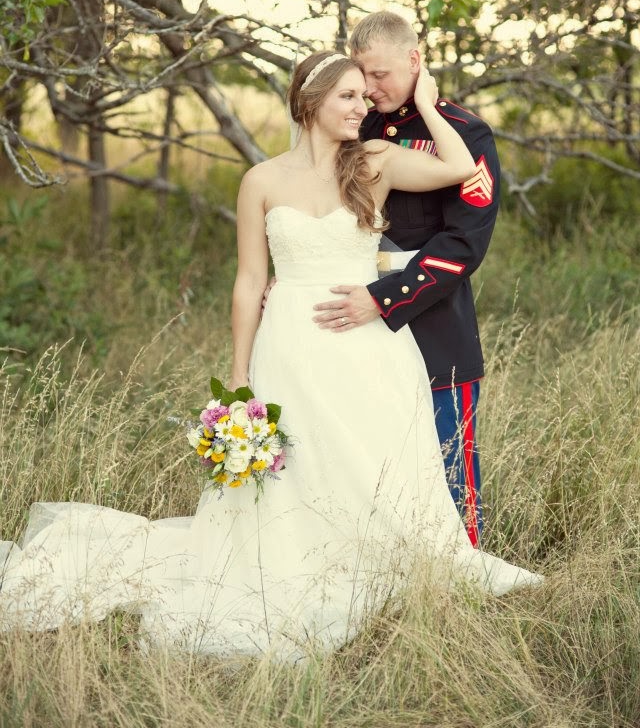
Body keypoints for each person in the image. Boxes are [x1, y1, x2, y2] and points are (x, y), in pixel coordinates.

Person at [0, 52, 541, 660]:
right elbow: (249, 281)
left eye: (364, 95)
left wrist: (425, 102)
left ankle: (384, 558)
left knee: (375, 462)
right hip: (288, 346)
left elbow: (460, 167)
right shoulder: (260, 180)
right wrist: (239, 376)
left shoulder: (374, 161)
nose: (363, 106)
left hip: (368, 342)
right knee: (299, 468)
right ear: (310, 103)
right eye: (348, 96)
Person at [313, 12, 499, 546]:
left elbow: (463, 244)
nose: (370, 90)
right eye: (362, 77)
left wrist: (384, 298)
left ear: (415, 60)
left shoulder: (464, 133)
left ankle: (465, 565)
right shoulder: (358, 127)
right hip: (354, 319)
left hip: (433, 321)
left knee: (449, 458)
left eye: (380, 75)